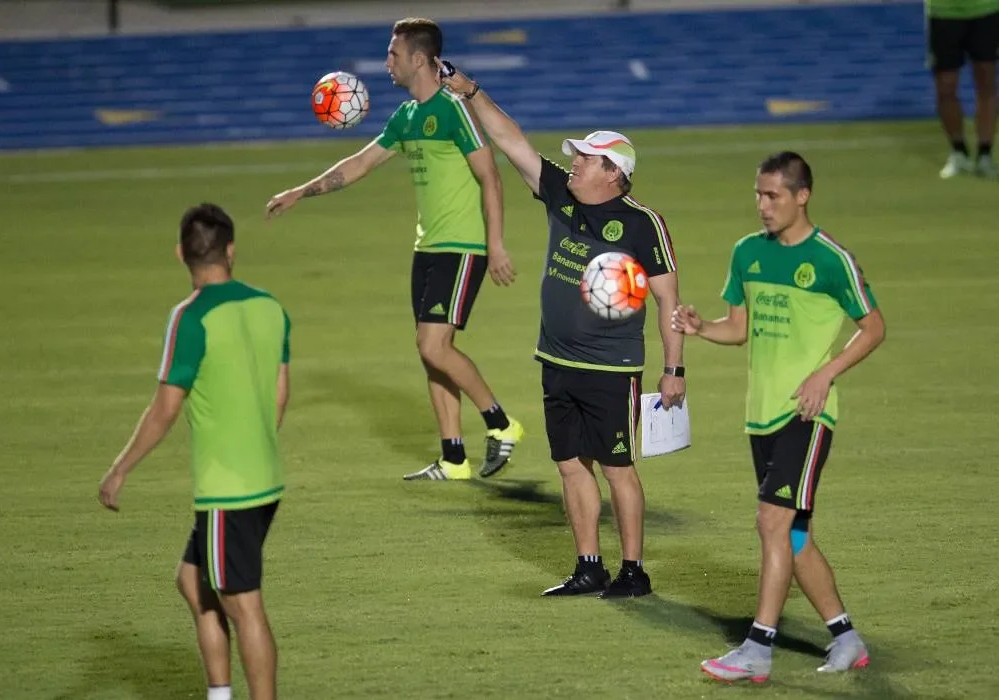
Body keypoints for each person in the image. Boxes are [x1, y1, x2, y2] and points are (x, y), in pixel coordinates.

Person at [437, 62, 686, 598]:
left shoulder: (642, 223)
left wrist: (674, 368)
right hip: (556, 360)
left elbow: (669, 298)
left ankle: (634, 572)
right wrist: (470, 91)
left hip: (611, 368)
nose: (573, 162)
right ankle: (588, 566)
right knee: (570, 466)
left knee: (618, 468)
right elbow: (512, 141)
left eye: (585, 158)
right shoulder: (562, 195)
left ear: (613, 173)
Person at [265, 17, 523, 481]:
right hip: (428, 247)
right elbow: (361, 163)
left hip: (462, 247)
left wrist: (496, 244)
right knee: (431, 351)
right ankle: (453, 458)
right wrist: (301, 192)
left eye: (393, 54)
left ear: (419, 59)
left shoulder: (453, 109)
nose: (387, 62)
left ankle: (501, 424)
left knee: (433, 344)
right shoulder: (405, 117)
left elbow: (491, 177)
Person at [671, 152, 886, 683]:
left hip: (806, 414)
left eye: (773, 196)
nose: (762, 205)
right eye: (758, 195)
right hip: (761, 417)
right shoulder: (747, 252)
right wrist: (702, 328)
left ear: (801, 196)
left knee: (771, 521)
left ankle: (757, 649)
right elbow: (738, 327)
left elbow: (874, 327)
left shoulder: (831, 259)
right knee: (794, 538)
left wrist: (825, 375)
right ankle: (847, 639)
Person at [98, 203, 291, 700]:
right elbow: (280, 391)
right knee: (192, 580)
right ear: (231, 250)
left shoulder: (190, 317)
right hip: (263, 476)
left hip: (228, 487)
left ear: (180, 254)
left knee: (243, 605)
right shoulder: (270, 306)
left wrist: (119, 470)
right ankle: (219, 694)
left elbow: (165, 408)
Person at [926, 0, 999, 178]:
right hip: (942, 13)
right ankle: (958, 152)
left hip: (986, 9)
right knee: (945, 87)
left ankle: (984, 155)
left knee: (986, 82)